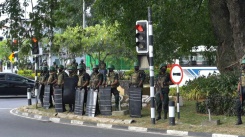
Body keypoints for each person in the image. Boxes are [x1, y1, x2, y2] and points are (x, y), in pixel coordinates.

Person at [236, 59, 245, 125]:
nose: (243, 66)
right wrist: (238, 89)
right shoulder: (241, 73)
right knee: (238, 105)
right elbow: (239, 81)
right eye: (242, 64)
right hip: (242, 89)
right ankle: (239, 120)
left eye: (243, 64)